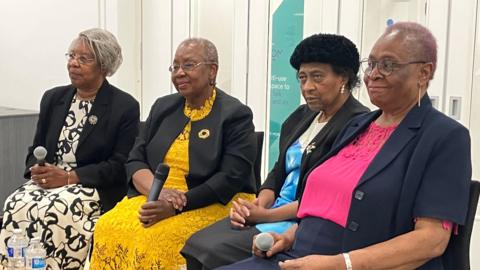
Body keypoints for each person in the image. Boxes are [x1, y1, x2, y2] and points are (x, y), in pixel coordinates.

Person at [219, 22, 471, 270]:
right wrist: (288, 237)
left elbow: (431, 241)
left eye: (388, 65)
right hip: (298, 255)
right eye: (371, 64)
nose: (373, 74)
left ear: (423, 73)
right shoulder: (358, 125)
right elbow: (328, 204)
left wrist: (342, 264)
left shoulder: (444, 136)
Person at [181, 33, 369, 270]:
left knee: (211, 250)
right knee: (195, 244)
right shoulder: (302, 116)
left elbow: (330, 197)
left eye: (317, 77)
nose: (307, 87)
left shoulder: (358, 125)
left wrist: (266, 216)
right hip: (273, 212)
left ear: (343, 77)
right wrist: (260, 204)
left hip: (304, 223)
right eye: (302, 78)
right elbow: (278, 170)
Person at [89, 37, 257, 270]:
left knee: (157, 238)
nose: (179, 72)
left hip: (213, 199)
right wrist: (158, 193)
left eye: (188, 65)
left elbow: (230, 178)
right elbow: (135, 159)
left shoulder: (236, 114)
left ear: (212, 71)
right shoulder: (163, 107)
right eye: (175, 66)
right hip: (157, 194)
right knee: (108, 225)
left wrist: (179, 204)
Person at [0, 28, 140, 269]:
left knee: (58, 208)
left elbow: (120, 165)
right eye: (71, 56)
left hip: (90, 186)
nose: (73, 64)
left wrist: (68, 178)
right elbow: (36, 148)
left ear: (104, 66)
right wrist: (37, 170)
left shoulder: (124, 106)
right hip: (49, 181)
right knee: (16, 203)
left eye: (84, 59)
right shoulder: (53, 98)